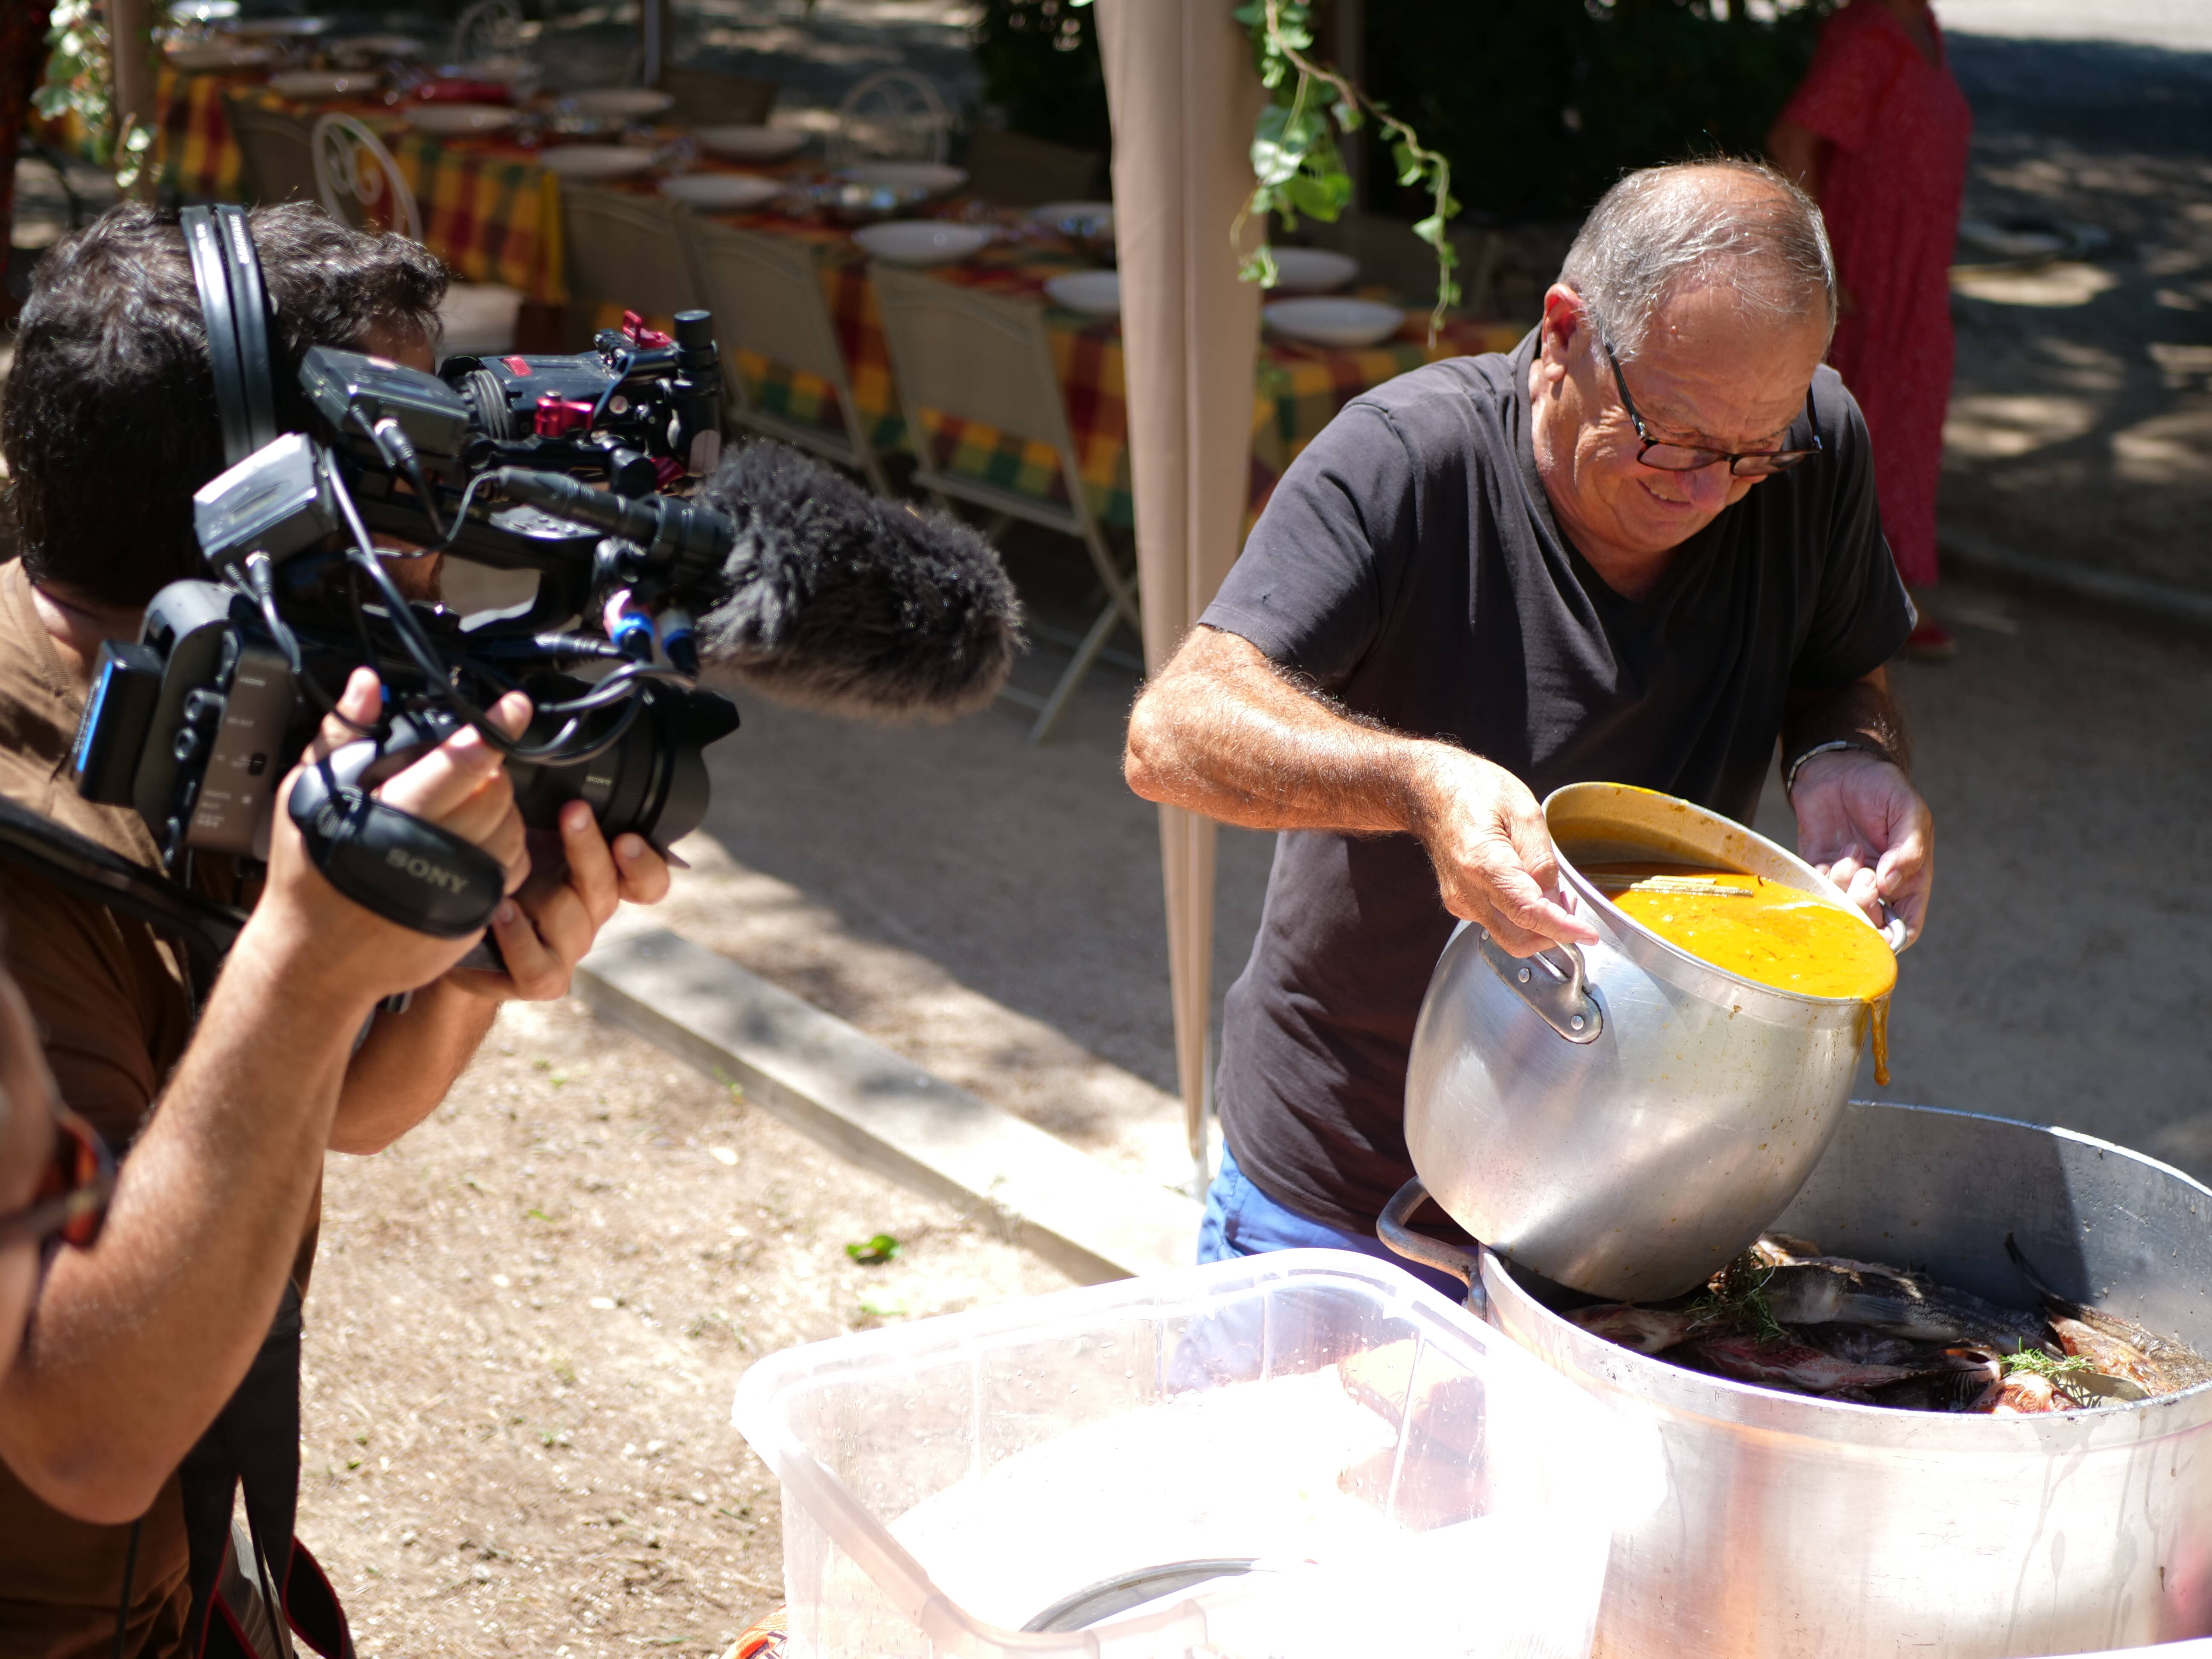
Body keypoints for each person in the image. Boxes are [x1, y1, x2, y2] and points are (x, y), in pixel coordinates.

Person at [0, 203, 669, 1651]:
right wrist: (307, 961)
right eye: (408, 491)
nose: (432, 559)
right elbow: (88, 1432)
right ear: (265, 520)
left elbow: (331, 1110)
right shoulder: (18, 868)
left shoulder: (184, 715)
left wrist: (465, 971)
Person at [1124, 160, 1933, 1290]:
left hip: (1634, 1183)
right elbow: (1174, 732)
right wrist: (1419, 787)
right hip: (1349, 1175)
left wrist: (1852, 756)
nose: (1710, 491)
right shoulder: (1409, 461)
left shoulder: (1813, 444)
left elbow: (1839, 673)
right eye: (1673, 436)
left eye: (1754, 455)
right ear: (1565, 332)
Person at [1767, 0, 1973, 660]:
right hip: (1865, 276)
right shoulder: (1869, 32)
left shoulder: (1923, 27)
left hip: (1915, 278)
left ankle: (1883, 595)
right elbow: (1793, 139)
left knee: (1905, 429)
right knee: (1854, 430)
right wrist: (1816, 258)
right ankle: (1848, 608)